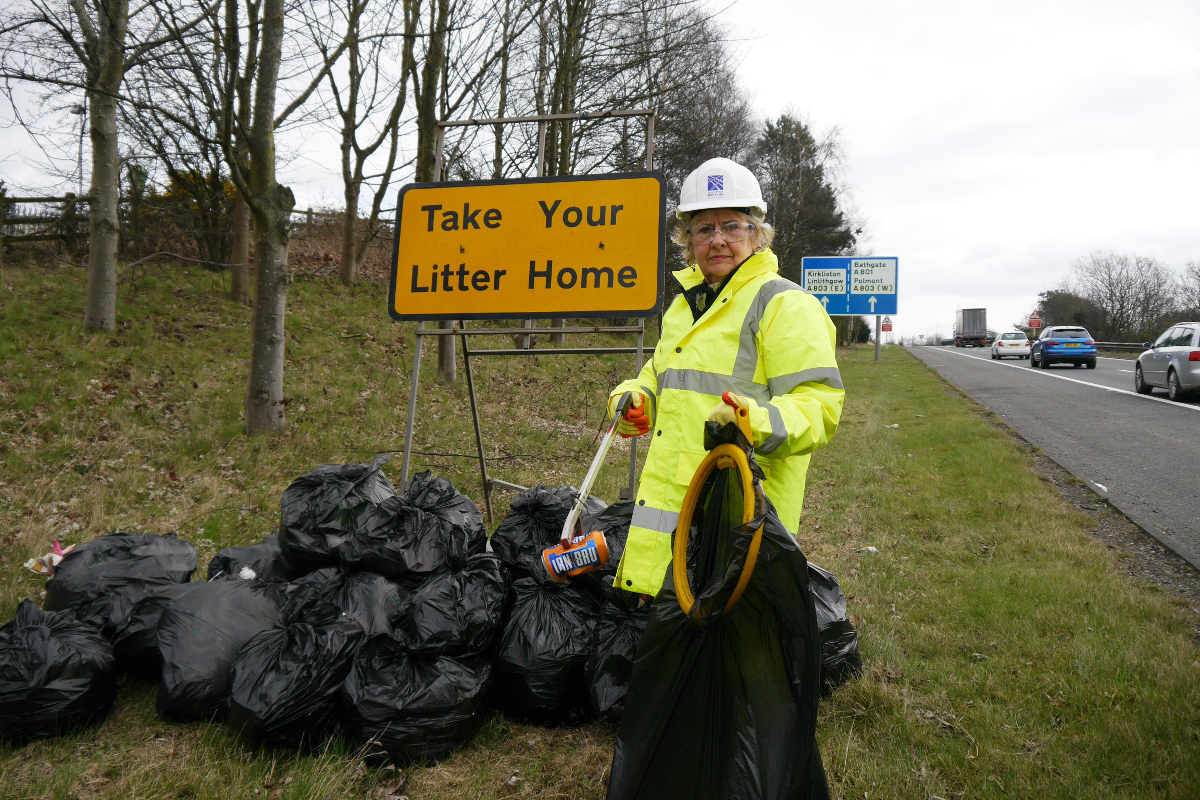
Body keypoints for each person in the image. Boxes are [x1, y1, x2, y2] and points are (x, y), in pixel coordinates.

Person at [607, 156, 844, 596]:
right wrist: (632, 399)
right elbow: (658, 376)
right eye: (704, 229)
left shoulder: (785, 304)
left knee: (723, 648)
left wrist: (755, 421)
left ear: (756, 234)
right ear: (688, 240)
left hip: (741, 512)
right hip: (668, 510)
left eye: (732, 226)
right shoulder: (684, 307)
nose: (718, 240)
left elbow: (818, 406)